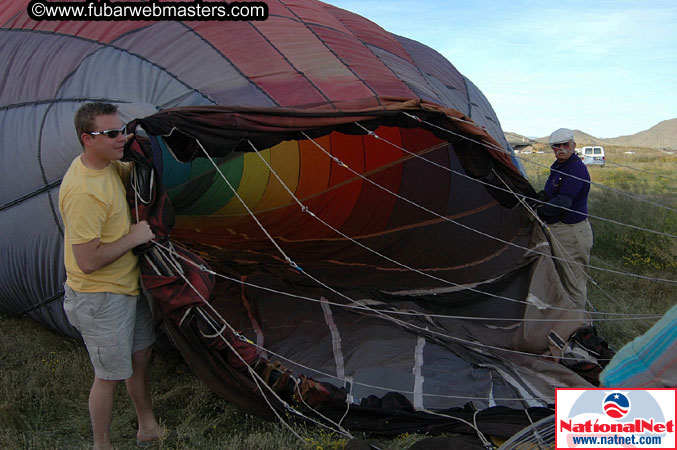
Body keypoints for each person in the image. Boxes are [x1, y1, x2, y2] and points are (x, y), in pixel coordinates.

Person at [58, 102, 165, 449]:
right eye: (113, 133)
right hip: (100, 296)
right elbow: (87, 261)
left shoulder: (104, 165)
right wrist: (133, 237)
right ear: (88, 139)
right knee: (108, 377)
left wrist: (138, 151)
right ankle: (101, 444)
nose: (123, 138)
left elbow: (123, 174)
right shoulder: (83, 193)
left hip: (126, 286)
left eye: (123, 130)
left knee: (139, 356)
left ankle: (147, 426)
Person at [538, 128, 593, 310]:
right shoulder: (559, 166)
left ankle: (579, 324)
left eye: (565, 145)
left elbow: (562, 202)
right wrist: (535, 199)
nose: (561, 149)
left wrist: (539, 211)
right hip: (560, 230)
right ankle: (567, 319)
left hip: (572, 232)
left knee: (573, 282)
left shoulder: (576, 169)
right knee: (562, 277)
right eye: (556, 146)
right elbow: (550, 194)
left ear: (573, 145)